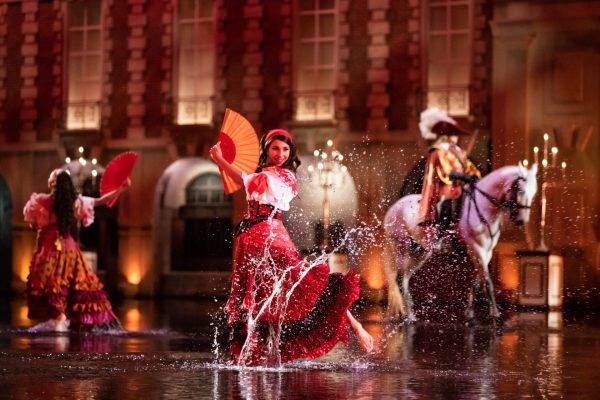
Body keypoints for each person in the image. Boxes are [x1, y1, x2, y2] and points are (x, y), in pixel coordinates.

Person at [210, 128, 374, 366]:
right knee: (263, 297)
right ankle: (257, 355)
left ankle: (356, 326)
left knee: (303, 281)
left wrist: (220, 160)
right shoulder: (265, 172)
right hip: (252, 238)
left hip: (270, 235)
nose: (280, 154)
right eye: (275, 148)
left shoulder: (284, 176)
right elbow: (248, 182)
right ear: (266, 149)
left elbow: (244, 181)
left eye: (285, 149)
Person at [23, 169, 130, 332]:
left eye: (51, 176)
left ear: (53, 183)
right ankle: (65, 320)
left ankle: (59, 319)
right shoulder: (75, 202)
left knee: (51, 285)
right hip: (69, 249)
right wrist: (121, 189)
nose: (49, 177)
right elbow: (100, 201)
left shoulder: (40, 201)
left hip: (49, 249)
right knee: (74, 284)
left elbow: (32, 223)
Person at [417, 107, 481, 247]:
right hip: (445, 188)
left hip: (460, 187)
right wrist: (462, 177)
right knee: (446, 206)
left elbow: (470, 167)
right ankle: (440, 236)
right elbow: (446, 172)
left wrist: (474, 175)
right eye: (453, 134)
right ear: (446, 135)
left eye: (456, 135)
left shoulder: (459, 152)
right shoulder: (440, 151)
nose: (455, 138)